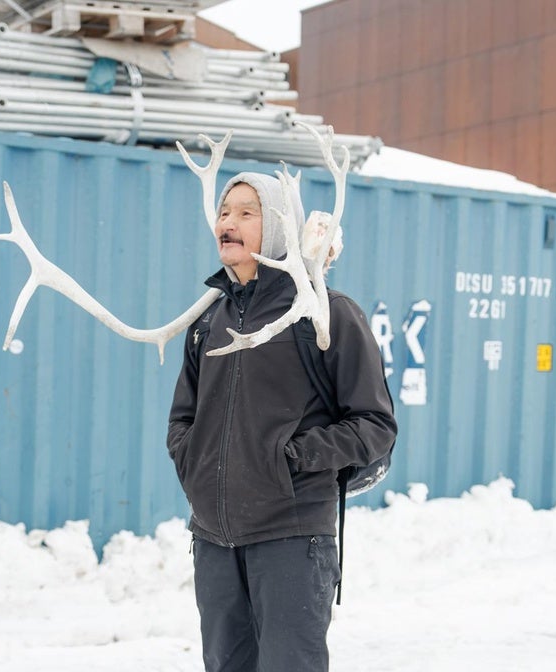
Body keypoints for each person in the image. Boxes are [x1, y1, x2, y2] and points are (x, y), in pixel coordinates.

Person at [167, 171, 398, 672]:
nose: (228, 222)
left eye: (247, 213)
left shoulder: (324, 312)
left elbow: (376, 425)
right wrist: (196, 466)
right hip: (214, 539)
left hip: (292, 538)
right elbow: (183, 418)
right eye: (225, 212)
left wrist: (291, 459)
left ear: (276, 229)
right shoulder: (209, 320)